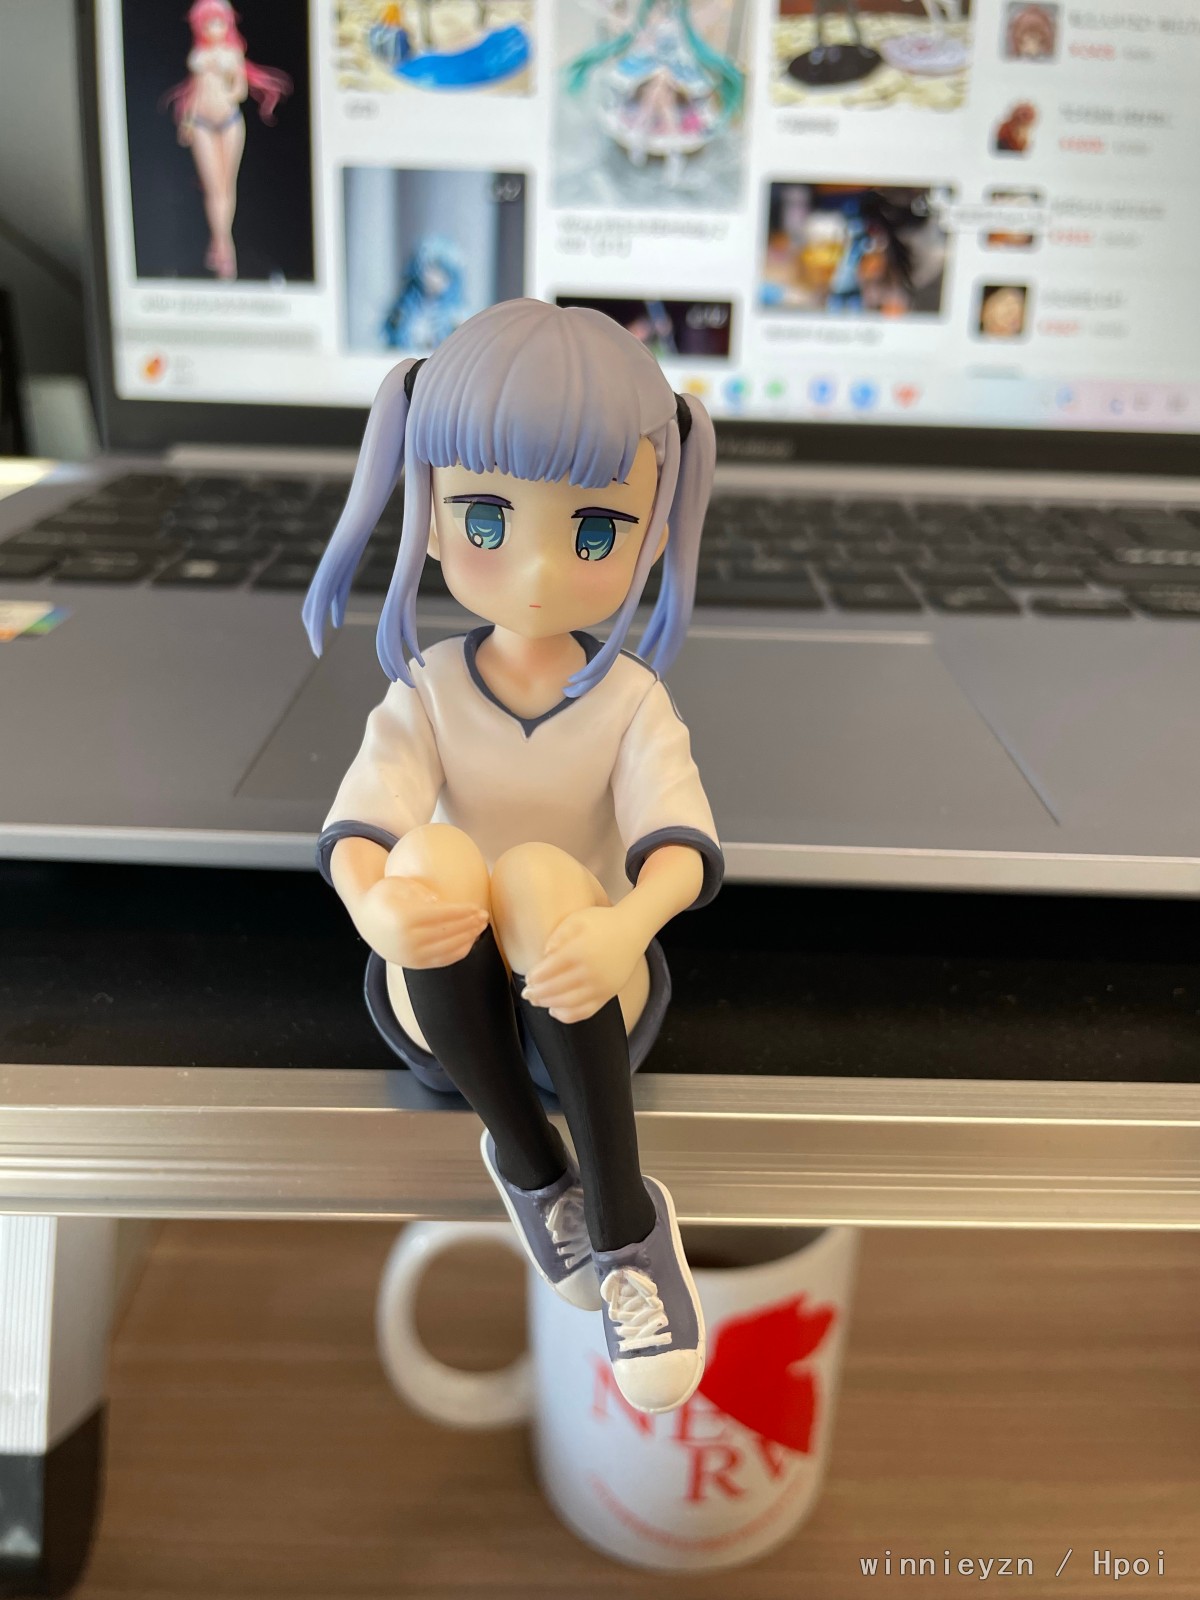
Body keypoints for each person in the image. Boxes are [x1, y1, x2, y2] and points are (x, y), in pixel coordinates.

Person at [303, 299, 722, 1414]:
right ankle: (534, 1167)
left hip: (587, 985)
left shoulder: (629, 700)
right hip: (447, 1004)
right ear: (433, 518)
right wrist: (375, 909)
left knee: (538, 874)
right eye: (488, 518)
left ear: (650, 533)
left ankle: (625, 1226)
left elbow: (679, 849)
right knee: (436, 857)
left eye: (593, 533)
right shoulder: (429, 691)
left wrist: (625, 925)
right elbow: (362, 829)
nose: (537, 568)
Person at [163, 0, 292, 280]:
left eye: (219, 22)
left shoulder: (232, 54)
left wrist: (224, 74)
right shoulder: (198, 55)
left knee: (225, 185)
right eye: (208, 22)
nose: (214, 28)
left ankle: (222, 247)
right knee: (213, 187)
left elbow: (239, 92)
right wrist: (186, 120)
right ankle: (223, 245)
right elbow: (195, 92)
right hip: (202, 124)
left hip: (229, 123)